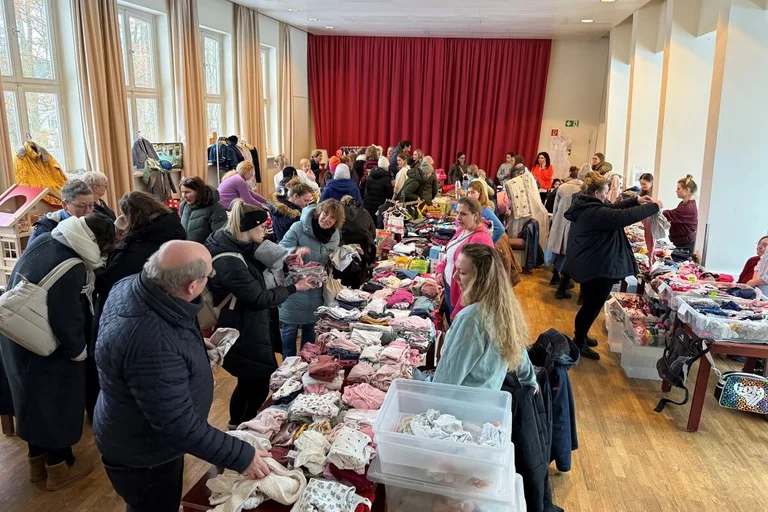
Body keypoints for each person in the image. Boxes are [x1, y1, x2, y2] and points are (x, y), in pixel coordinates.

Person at [94, 241, 272, 511]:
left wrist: (195, 346)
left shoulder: (136, 285)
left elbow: (169, 327)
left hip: (140, 431)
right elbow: (178, 425)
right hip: (144, 452)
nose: (210, 279)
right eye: (209, 275)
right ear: (192, 286)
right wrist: (241, 455)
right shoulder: (152, 344)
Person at [0, 214, 116, 490]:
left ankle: (36, 463)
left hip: (17, 337)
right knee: (58, 403)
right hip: (46, 345)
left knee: (29, 402)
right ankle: (60, 467)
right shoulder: (73, 264)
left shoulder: (45, 240)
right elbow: (66, 317)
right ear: (96, 242)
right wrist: (79, 352)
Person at [205, 201, 316, 428]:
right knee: (257, 382)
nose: (266, 231)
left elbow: (256, 269)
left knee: (248, 382)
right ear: (248, 227)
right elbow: (258, 297)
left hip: (248, 323)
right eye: (262, 226)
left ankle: (237, 426)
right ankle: (246, 429)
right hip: (242, 327)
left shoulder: (237, 244)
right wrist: (295, 287)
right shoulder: (228, 259)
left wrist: (286, 260)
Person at [90, 192, 187, 415]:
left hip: (132, 311)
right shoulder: (171, 228)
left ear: (132, 215)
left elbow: (110, 280)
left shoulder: (137, 244)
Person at [563, 172, 661, 360]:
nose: (608, 195)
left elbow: (613, 208)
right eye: (606, 192)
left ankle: (581, 336)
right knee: (591, 306)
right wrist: (654, 206)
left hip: (592, 263)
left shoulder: (588, 206)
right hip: (596, 266)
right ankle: (579, 342)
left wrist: (636, 200)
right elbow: (623, 217)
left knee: (591, 304)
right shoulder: (594, 212)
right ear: (597, 193)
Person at [433, 244, 536, 390]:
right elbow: (519, 351)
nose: (455, 276)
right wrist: (531, 382)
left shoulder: (470, 319)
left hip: (462, 400)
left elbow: (445, 382)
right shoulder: (505, 308)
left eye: (462, 272)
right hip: (488, 397)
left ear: (480, 278)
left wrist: (429, 399)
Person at [279, 200, 344, 356]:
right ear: (318, 212)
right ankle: (287, 366)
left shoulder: (334, 235)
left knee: (310, 333)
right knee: (289, 333)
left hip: (317, 290)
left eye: (333, 217)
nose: (327, 219)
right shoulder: (298, 227)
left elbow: (331, 259)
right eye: (325, 213)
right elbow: (280, 249)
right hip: (294, 288)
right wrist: (295, 251)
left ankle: (304, 365)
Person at [435, 198, 494, 318]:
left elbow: (478, 282)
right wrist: (440, 270)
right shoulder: (463, 230)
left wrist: (459, 309)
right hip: (450, 288)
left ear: (475, 215)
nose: (458, 218)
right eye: (457, 213)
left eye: (463, 214)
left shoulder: (481, 239)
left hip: (461, 298)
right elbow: (451, 255)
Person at [547, 164, 590, 298]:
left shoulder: (562, 187)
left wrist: (554, 221)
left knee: (559, 250)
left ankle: (556, 275)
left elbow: (555, 207)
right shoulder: (585, 190)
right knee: (569, 252)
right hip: (574, 224)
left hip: (560, 221)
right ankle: (564, 281)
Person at [29, 179, 94, 243]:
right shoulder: (46, 228)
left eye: (91, 205)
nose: (88, 211)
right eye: (81, 206)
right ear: (65, 205)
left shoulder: (95, 221)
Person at [337, 195, 377, 288]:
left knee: (344, 275)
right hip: (362, 249)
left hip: (344, 251)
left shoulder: (341, 214)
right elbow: (372, 232)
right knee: (359, 274)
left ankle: (343, 290)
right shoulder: (363, 212)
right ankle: (358, 289)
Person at [179, 176, 228, 244]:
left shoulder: (215, 208)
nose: (184, 196)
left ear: (198, 192)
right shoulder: (184, 205)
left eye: (187, 192)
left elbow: (220, 237)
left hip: (204, 248)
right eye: (182, 192)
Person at [268, 178, 315, 242]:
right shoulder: (294, 217)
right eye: (305, 200)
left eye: (309, 201)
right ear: (295, 196)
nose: (307, 204)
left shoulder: (277, 207)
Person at [663, 175, 699, 251]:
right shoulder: (685, 203)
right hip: (681, 242)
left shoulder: (688, 207)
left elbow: (668, 214)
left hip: (685, 245)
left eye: (678, 189)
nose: (676, 191)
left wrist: (655, 207)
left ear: (687, 190)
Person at [363, 156, 394, 225]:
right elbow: (389, 194)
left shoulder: (370, 176)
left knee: (369, 224)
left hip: (369, 205)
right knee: (378, 225)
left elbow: (366, 191)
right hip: (380, 206)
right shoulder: (386, 178)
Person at [637, 173, 656, 263]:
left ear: (651, 182)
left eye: (644, 184)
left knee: (651, 242)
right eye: (641, 184)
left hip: (650, 221)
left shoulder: (654, 194)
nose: (642, 186)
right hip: (644, 220)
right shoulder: (642, 193)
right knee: (647, 241)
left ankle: (651, 260)